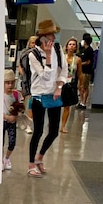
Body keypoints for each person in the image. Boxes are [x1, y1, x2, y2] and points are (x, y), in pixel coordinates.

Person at [26, 19, 68, 177]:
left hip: (54, 94)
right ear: (43, 37)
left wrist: (59, 86)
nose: (54, 38)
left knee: (54, 131)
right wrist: (48, 57)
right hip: (38, 95)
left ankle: (40, 157)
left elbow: (64, 70)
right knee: (37, 131)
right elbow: (45, 76)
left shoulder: (57, 48)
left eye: (54, 35)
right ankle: (31, 164)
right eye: (51, 35)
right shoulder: (33, 54)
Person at [2, 68, 24, 171]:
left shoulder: (17, 95)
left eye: (12, 83)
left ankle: (6, 158)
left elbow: (21, 107)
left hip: (12, 122)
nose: (10, 85)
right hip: (2, 121)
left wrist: (16, 114)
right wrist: (6, 117)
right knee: (0, 142)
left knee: (12, 142)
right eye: (7, 83)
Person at [60, 37, 83, 133]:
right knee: (56, 104)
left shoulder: (77, 60)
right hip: (60, 83)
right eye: (70, 44)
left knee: (67, 106)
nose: (71, 46)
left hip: (70, 84)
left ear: (76, 47)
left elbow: (80, 74)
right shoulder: (61, 57)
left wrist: (80, 85)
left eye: (73, 44)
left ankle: (63, 126)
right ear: (66, 46)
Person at [17, 35, 37, 134]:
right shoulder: (24, 53)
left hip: (35, 81)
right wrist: (23, 74)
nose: (34, 45)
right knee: (21, 100)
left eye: (35, 43)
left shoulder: (40, 55)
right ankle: (19, 118)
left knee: (31, 103)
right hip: (24, 80)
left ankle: (29, 124)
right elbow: (19, 65)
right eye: (32, 42)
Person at [77, 32, 95, 109]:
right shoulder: (84, 50)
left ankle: (84, 103)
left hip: (86, 72)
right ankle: (81, 102)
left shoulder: (89, 50)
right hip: (82, 71)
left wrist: (80, 64)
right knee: (80, 87)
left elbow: (88, 61)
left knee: (84, 87)